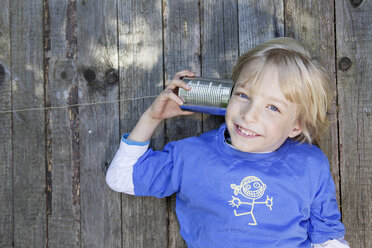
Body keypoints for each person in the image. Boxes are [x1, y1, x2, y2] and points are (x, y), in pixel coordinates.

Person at [106, 38, 349, 248]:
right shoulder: (192, 155)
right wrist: (152, 117)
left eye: (273, 107)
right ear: (227, 96)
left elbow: (327, 237)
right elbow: (122, 177)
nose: (249, 114)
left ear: (297, 125)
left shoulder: (309, 164)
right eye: (243, 95)